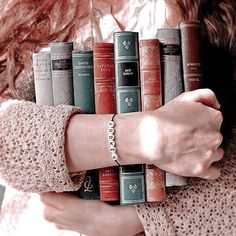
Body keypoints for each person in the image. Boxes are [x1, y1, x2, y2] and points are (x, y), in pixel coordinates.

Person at [0, 0, 235, 235]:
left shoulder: (219, 12)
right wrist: (145, 137)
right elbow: (5, 141)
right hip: (41, 225)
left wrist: (139, 220)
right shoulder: (23, 9)